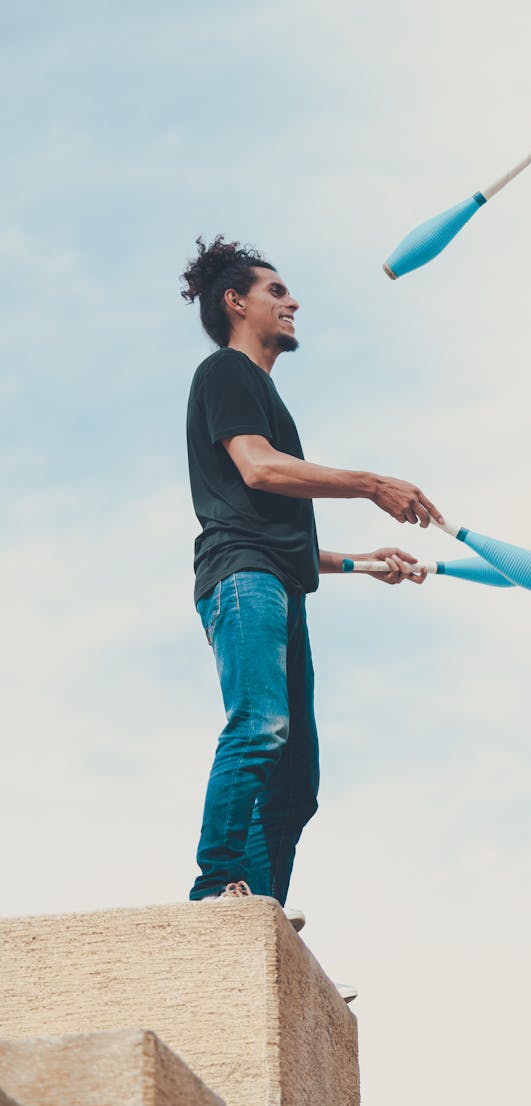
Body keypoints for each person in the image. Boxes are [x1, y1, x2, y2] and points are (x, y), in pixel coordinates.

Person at [181, 236, 442, 916]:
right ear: (236, 302)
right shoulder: (226, 374)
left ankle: (257, 921)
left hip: (274, 577)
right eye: (276, 291)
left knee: (296, 786)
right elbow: (259, 470)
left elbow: (277, 525)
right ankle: (217, 885)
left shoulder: (266, 396)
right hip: (242, 580)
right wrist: (369, 482)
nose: (292, 300)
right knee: (261, 723)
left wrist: (363, 562)